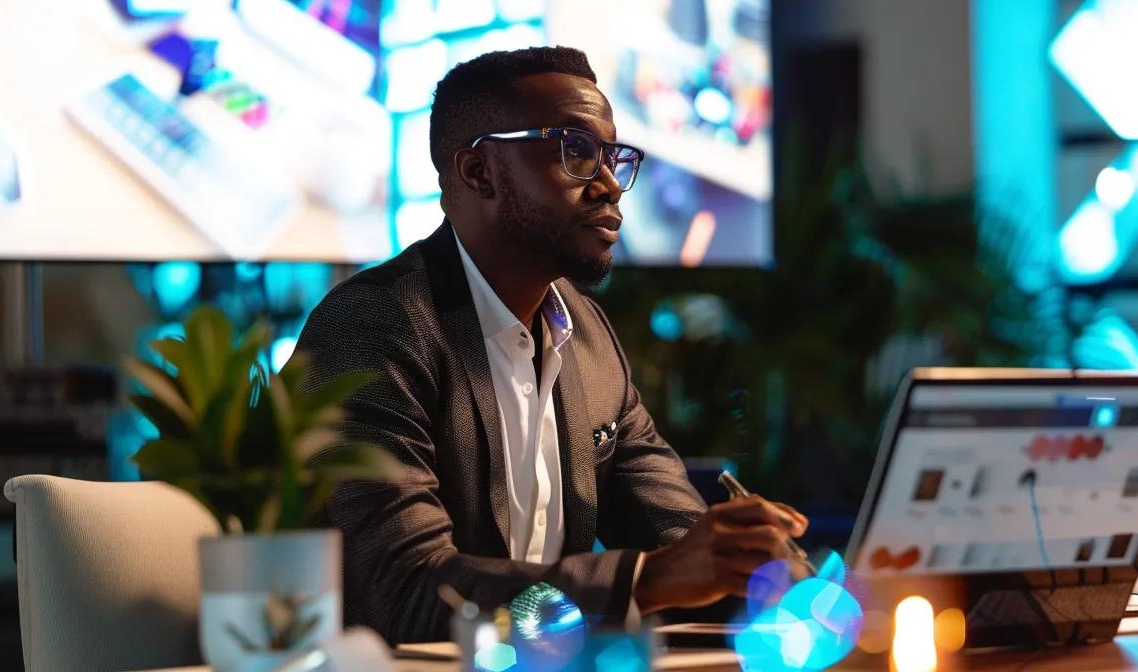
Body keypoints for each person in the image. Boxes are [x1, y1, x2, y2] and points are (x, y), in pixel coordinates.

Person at [292, 46, 807, 644]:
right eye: (576, 151)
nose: (610, 185)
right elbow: (405, 593)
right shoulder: (371, 328)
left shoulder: (586, 337)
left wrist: (762, 571)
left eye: (612, 155)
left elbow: (678, 539)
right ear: (478, 172)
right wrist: (645, 580)